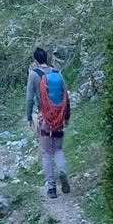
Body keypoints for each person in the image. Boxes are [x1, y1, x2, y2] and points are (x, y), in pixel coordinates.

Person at [26, 46, 71, 197]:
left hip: (44, 117)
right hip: (59, 117)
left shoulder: (34, 75)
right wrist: (67, 116)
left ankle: (52, 188)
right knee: (58, 149)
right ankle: (62, 171)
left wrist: (28, 117)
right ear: (47, 58)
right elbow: (66, 97)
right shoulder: (58, 73)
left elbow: (29, 99)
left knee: (46, 152)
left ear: (35, 60)